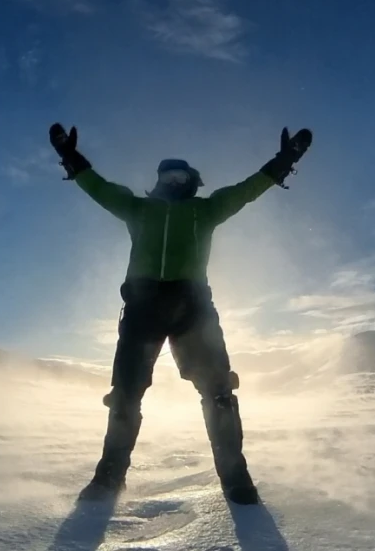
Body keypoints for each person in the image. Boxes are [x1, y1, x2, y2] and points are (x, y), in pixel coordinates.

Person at [48, 122, 312, 505]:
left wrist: (285, 160)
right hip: (143, 308)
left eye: (181, 176)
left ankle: (236, 478)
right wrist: (70, 156)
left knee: (219, 391)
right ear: (158, 180)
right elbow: (99, 188)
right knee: (125, 394)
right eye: (167, 175)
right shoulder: (137, 209)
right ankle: (108, 478)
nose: (174, 181)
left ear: (192, 180)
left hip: (194, 310)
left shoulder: (206, 211)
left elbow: (248, 190)